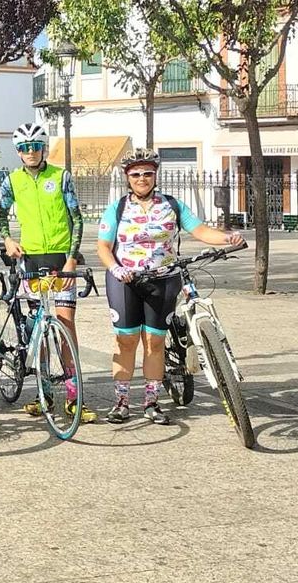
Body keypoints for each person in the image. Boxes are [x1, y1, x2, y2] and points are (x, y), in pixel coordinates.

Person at [96, 147, 244, 424]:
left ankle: (151, 402)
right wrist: (116, 268)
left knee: (155, 342)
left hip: (163, 279)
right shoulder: (117, 208)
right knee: (126, 341)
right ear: (127, 178)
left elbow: (200, 230)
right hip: (125, 280)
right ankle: (121, 402)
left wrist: (228, 238)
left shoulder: (172, 205)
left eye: (148, 174)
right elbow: (103, 246)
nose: (142, 178)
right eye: (136, 174)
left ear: (155, 176)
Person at [0, 121, 90, 422]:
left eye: (35, 146)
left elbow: (77, 219)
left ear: (43, 148)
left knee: (65, 325)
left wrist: (72, 259)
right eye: (24, 148)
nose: (30, 152)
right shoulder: (11, 181)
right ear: (18, 152)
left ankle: (74, 398)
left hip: (61, 258)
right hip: (32, 261)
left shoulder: (61, 177)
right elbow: (0, 215)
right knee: (39, 327)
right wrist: (8, 240)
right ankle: (44, 393)